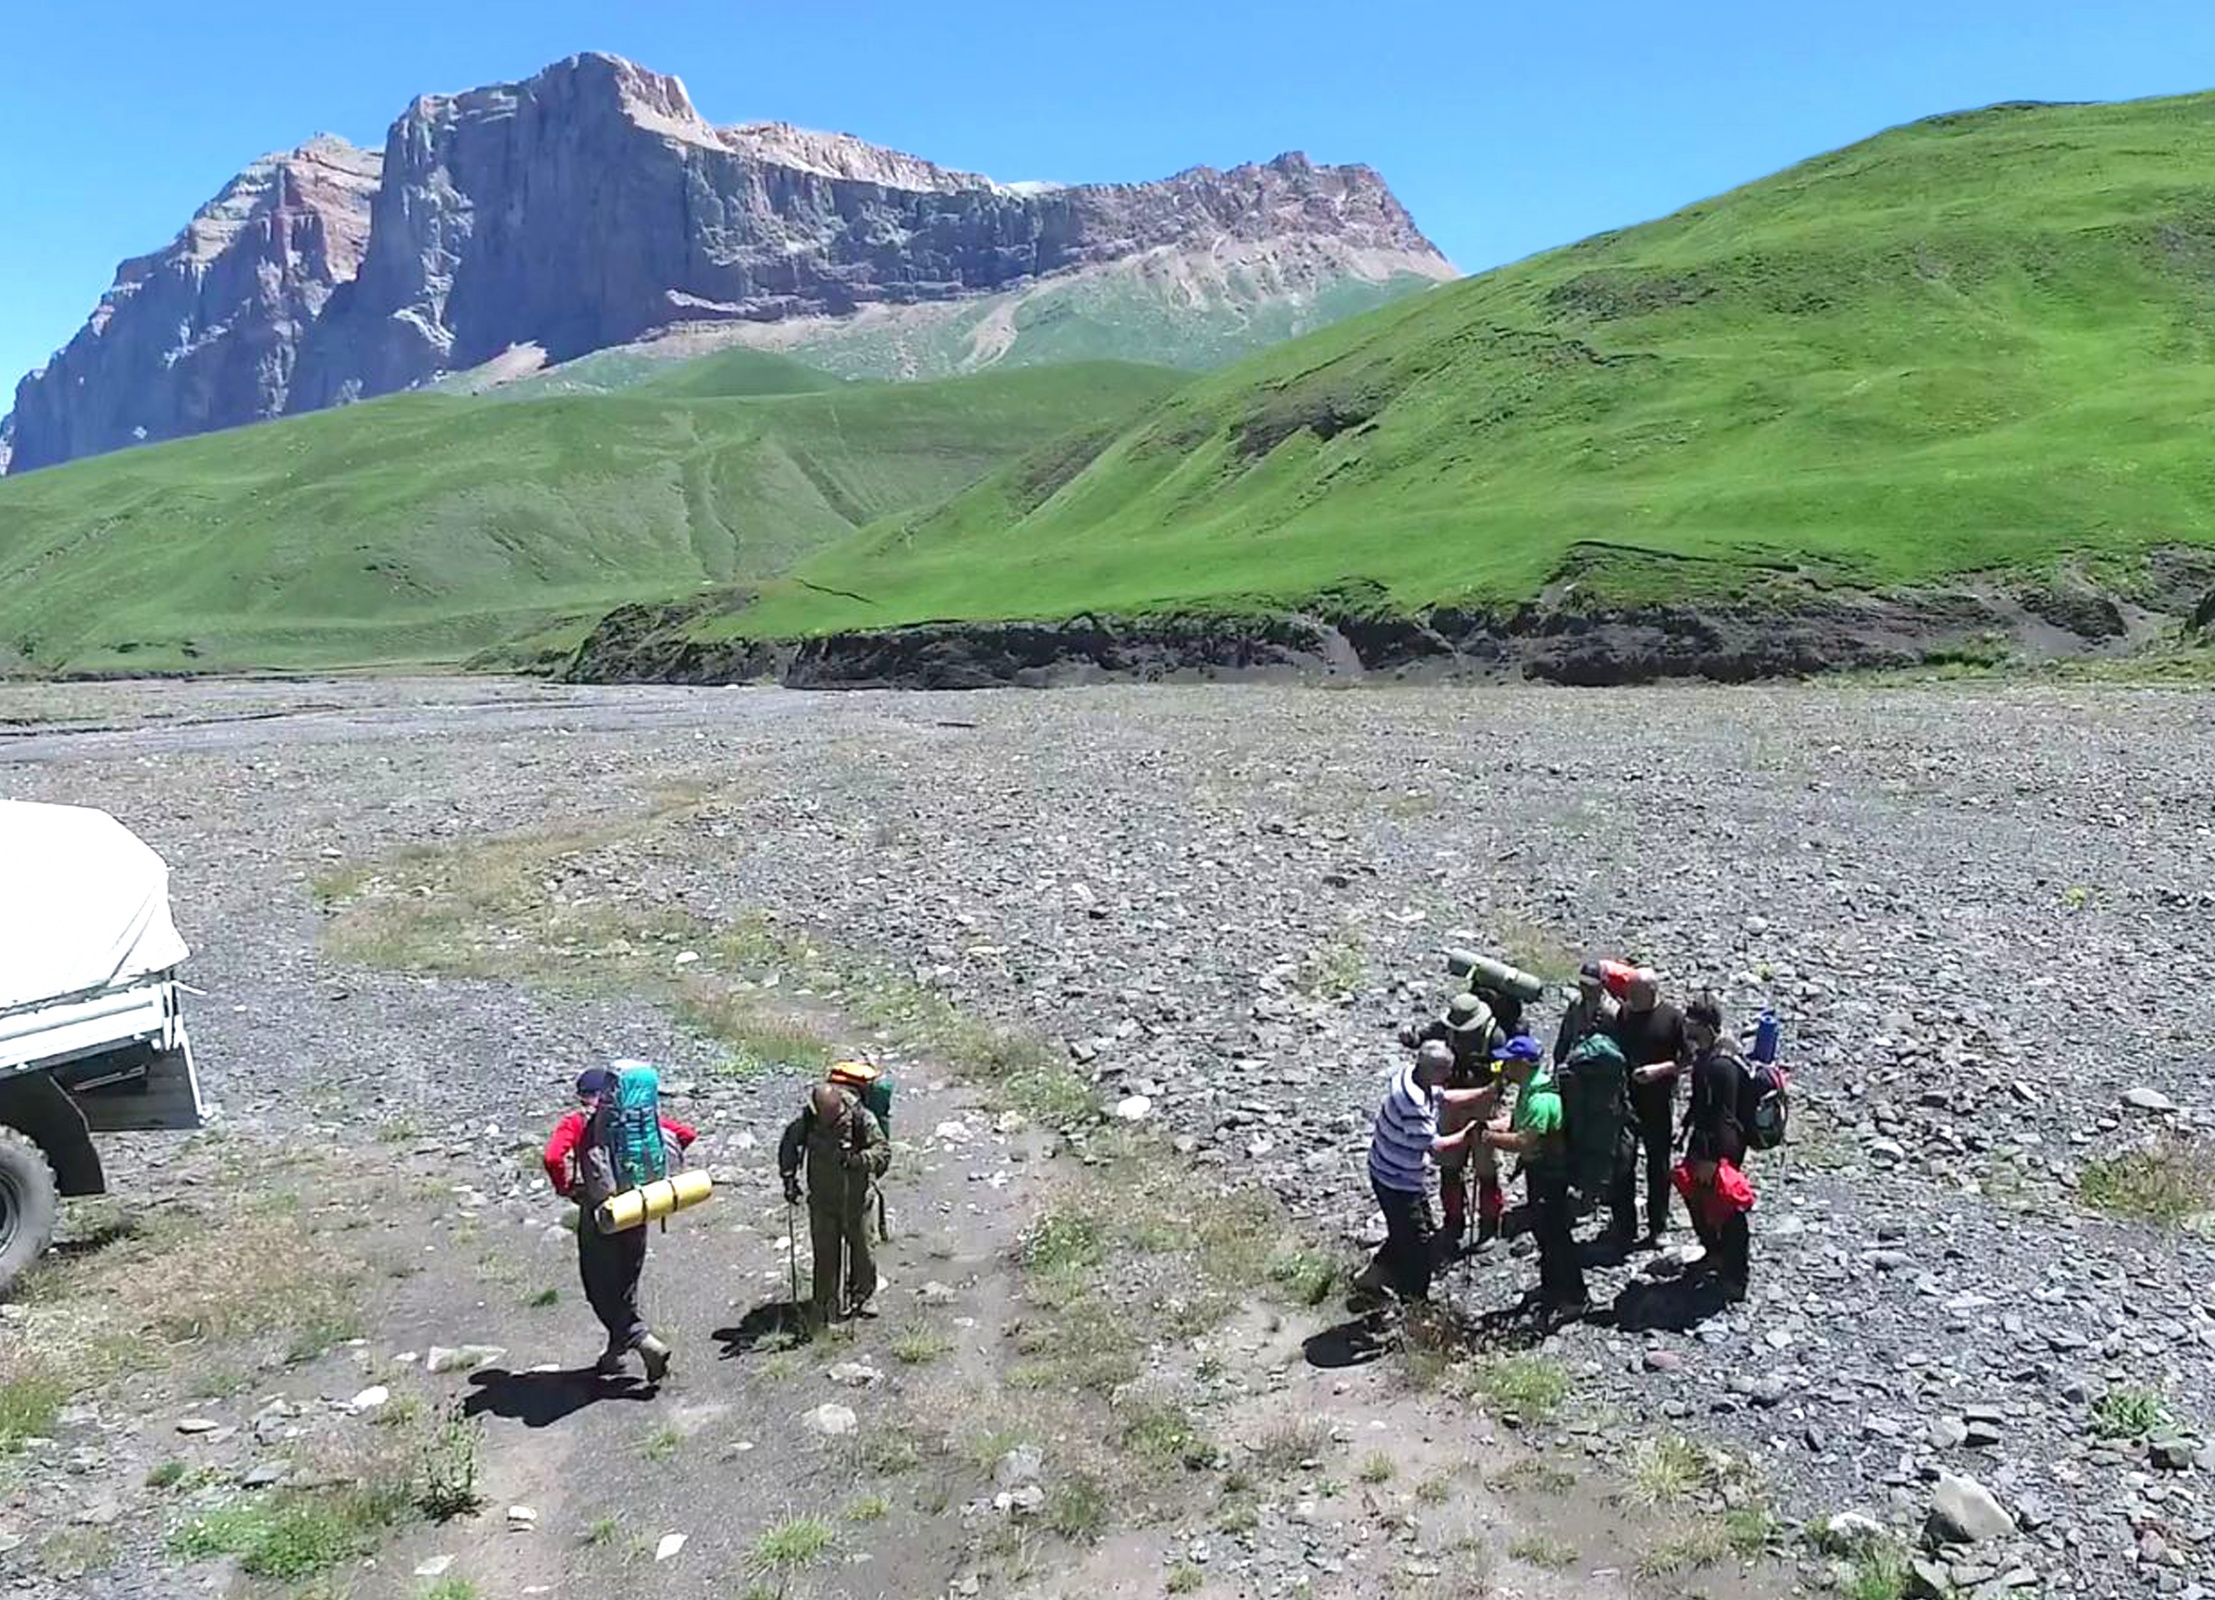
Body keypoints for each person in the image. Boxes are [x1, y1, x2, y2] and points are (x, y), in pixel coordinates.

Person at [541, 1067, 693, 1381]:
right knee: (626, 1283)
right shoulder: (636, 1116)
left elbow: (553, 1157)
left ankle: (642, 1340)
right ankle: (615, 1355)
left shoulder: (578, 1121)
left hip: (602, 1212)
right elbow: (686, 1134)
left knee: (598, 1286)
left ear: (583, 1094)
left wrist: (566, 1187)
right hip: (638, 1208)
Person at [1353, 1041, 1494, 1308]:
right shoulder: (1414, 1105)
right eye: (1447, 1071)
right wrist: (1472, 1132)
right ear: (1435, 1071)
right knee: (1418, 1245)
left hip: (1391, 1169)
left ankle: (1371, 1277)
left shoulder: (1411, 1075)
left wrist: (1484, 1093)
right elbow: (1437, 1144)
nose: (1450, 1076)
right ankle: (1415, 1303)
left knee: (1406, 1231)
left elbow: (1444, 1097)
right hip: (1396, 1180)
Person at [1479, 1034, 1582, 1314]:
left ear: (1523, 1063)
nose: (1504, 1066)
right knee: (1544, 1231)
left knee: (1557, 1234)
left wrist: (1490, 1139)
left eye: (1509, 1062)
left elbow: (1526, 1140)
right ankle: (1551, 1287)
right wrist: (1487, 1126)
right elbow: (1514, 1123)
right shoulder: (1529, 1087)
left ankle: (1574, 1297)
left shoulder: (1540, 1099)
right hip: (1539, 1173)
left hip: (1550, 1174)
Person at [779, 1082, 891, 1323]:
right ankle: (825, 1302)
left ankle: (862, 1297)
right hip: (822, 1201)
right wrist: (789, 1178)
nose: (831, 1121)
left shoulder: (862, 1118)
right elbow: (789, 1144)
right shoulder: (808, 1122)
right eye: (826, 1117)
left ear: (840, 1104)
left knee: (863, 1251)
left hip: (857, 1199)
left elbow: (882, 1151)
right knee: (825, 1254)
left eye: (835, 1115)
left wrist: (860, 1159)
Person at [1680, 994, 1753, 1300]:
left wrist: (1713, 1159)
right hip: (1707, 1142)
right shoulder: (1709, 1056)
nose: (1688, 1034)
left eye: (1693, 1028)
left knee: (1727, 1207)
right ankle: (1716, 1253)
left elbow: (1722, 1115)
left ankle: (1735, 1275)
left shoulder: (1720, 1066)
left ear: (1709, 1028)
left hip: (1720, 1147)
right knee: (1698, 1198)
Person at [1608, 972, 1688, 1247]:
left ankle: (1658, 1226)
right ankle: (1624, 1224)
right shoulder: (1626, 1014)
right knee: (1623, 1162)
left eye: (1636, 993)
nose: (1630, 998)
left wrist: (1660, 1070)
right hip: (1628, 1100)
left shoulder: (1673, 1018)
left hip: (1658, 1100)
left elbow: (1687, 1059)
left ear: (1653, 991)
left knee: (1659, 1165)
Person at [1553, 961, 1620, 1067]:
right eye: (1583, 984)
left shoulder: (1612, 1011)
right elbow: (1565, 1037)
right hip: (1578, 1061)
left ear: (1602, 984)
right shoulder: (1576, 1004)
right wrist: (1558, 1061)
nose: (1586, 989)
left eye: (1591, 986)